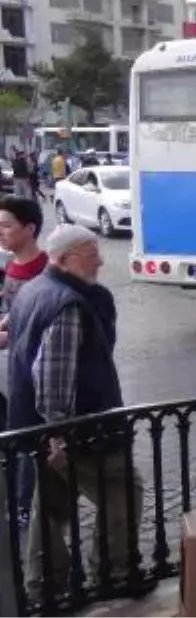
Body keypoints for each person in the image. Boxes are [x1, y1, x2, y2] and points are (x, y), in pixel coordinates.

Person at [6, 224, 146, 599]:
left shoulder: (33, 290)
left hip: (38, 428)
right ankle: (114, 573)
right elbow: (54, 374)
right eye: (91, 254)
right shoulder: (68, 303)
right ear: (66, 259)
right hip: (81, 431)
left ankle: (45, 585)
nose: (101, 260)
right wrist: (57, 435)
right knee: (122, 492)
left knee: (50, 506)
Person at [0, 196, 48, 527]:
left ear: (29, 229)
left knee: (27, 438)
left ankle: (25, 505)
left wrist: (8, 336)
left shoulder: (47, 270)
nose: (0, 231)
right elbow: (12, 313)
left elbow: (42, 324)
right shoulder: (10, 267)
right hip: (9, 371)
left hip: (34, 375)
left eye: (6, 225)